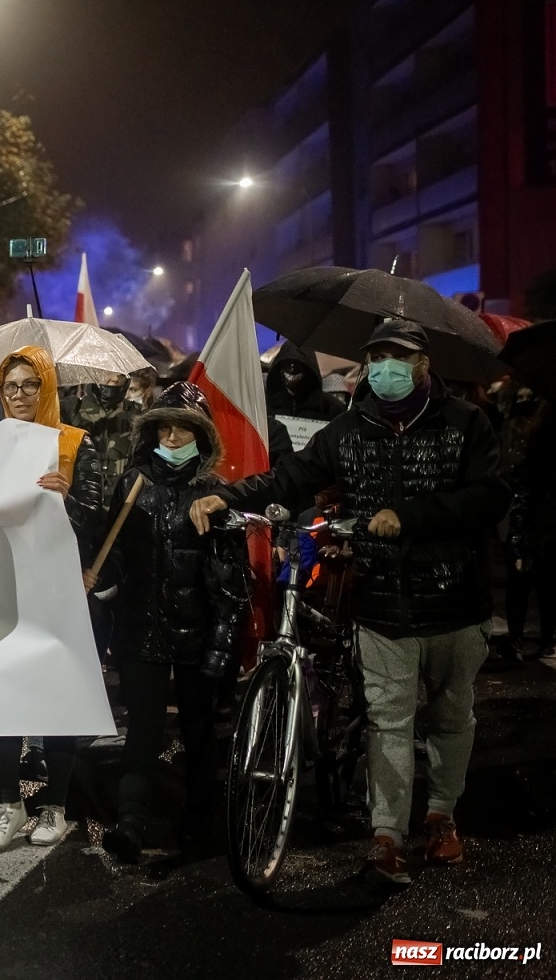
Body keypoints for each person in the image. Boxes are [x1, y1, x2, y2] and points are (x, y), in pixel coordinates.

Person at [190, 319, 510, 885]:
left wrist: (408, 517)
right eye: (377, 358)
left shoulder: (467, 423)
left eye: (398, 358)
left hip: (456, 603)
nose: (386, 369)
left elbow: (488, 498)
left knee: (451, 717)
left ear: (423, 366)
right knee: (386, 721)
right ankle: (387, 836)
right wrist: (227, 495)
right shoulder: (346, 429)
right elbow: (291, 476)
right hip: (382, 605)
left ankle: (441, 816)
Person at [92, 384, 248, 862]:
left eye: (183, 427)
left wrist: (221, 652)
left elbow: (230, 586)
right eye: (165, 426)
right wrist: (99, 572)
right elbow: (114, 556)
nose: (174, 436)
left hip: (198, 637)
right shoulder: (132, 484)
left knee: (200, 732)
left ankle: (199, 822)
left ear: (201, 435)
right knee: (143, 729)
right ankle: (130, 822)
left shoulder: (214, 496)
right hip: (143, 632)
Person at [0, 346, 103, 852]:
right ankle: (9, 803)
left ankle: (56, 804)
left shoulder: (75, 442)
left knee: (55, 697)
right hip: (3, 586)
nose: (19, 394)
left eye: (29, 384)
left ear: (47, 388)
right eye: (10, 386)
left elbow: (94, 513)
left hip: (56, 590)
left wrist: (67, 496)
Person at [507, 399, 556, 664]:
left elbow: (525, 492)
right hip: (543, 529)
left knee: (528, 585)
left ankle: (525, 638)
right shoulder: (541, 448)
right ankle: (543, 638)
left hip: (539, 529)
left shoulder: (538, 446)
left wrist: (516, 536)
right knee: (543, 586)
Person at [264, 342, 346, 463]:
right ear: (279, 368)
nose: (292, 368)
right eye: (287, 363)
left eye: (298, 364)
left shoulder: (331, 408)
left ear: (308, 368)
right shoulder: (263, 405)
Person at [61, 374, 144, 485]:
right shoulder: (71, 410)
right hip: (80, 494)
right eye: (108, 371)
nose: (115, 379)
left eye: (121, 374)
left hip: (123, 497)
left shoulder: (137, 414)